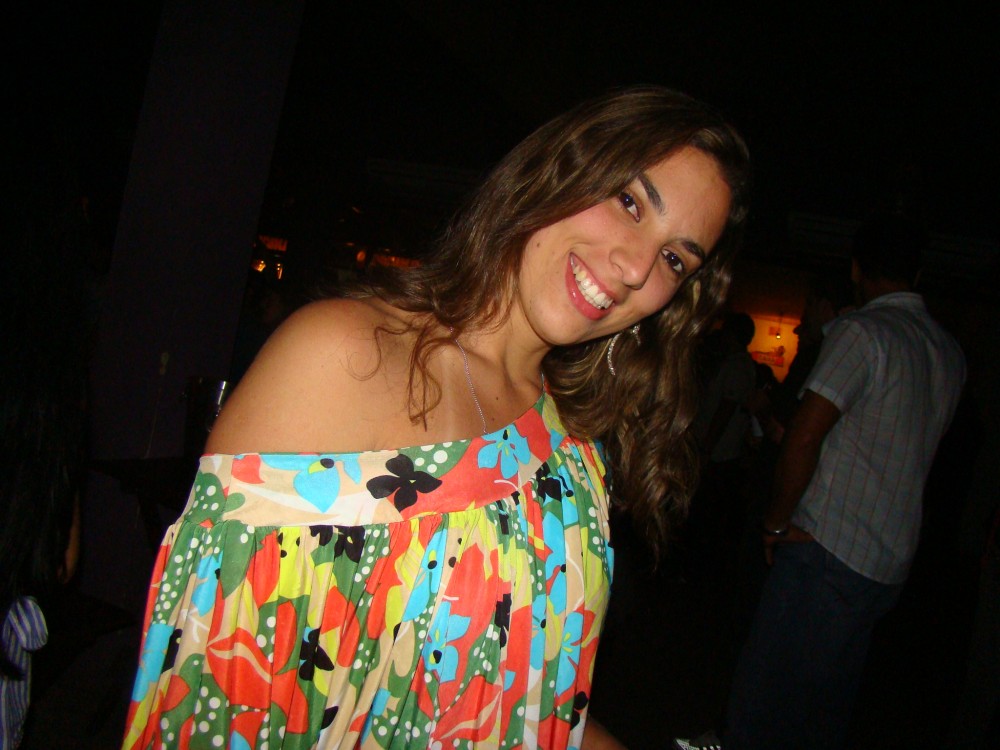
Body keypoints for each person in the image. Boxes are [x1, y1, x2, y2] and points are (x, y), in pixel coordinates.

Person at [120, 86, 750, 750]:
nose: (635, 267)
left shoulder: (577, 446)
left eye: (674, 259)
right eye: (630, 202)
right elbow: (217, 702)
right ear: (562, 166)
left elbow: (529, 702)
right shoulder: (345, 357)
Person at [718, 213, 966, 750]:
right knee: (824, 705)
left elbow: (804, 435)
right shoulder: (948, 353)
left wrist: (776, 522)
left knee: (765, 701)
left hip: (828, 547)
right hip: (888, 561)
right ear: (918, 273)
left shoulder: (864, 332)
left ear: (856, 269)